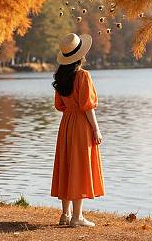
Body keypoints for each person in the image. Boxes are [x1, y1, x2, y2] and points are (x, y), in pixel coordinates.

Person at [50, 32, 105, 227]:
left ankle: (65, 215)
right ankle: (77, 217)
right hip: (81, 124)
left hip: (66, 124)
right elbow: (88, 106)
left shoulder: (60, 77)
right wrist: (96, 129)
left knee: (67, 166)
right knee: (79, 167)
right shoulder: (83, 75)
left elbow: (60, 106)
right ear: (81, 55)